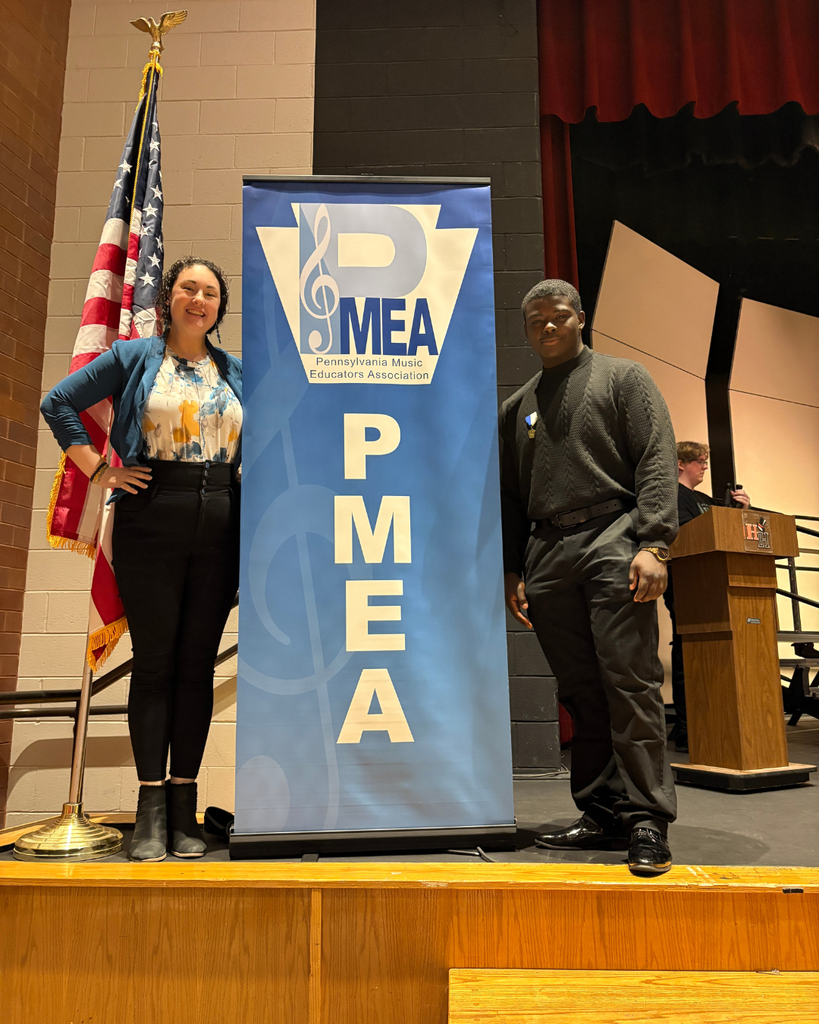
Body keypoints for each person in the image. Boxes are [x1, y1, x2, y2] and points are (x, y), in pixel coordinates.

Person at [41, 257, 242, 862]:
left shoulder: (236, 371)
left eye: (209, 292)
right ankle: (150, 808)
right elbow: (59, 403)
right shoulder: (133, 357)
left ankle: (186, 808)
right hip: (150, 518)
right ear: (170, 299)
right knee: (154, 666)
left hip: (222, 526)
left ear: (219, 308)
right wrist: (101, 471)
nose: (197, 299)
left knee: (196, 667)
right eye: (188, 288)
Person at [499, 279, 679, 876]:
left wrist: (654, 542)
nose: (546, 327)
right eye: (535, 321)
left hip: (613, 539)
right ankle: (602, 813)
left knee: (629, 682)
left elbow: (656, 456)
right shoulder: (517, 406)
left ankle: (647, 819)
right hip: (547, 554)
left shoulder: (623, 379)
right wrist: (513, 568)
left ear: (581, 318)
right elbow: (507, 496)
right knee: (579, 691)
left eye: (557, 317)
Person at [665, 442, 750, 751]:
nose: (704, 467)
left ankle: (712, 721)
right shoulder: (671, 495)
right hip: (688, 582)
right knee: (688, 653)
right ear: (679, 464)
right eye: (699, 461)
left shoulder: (703, 499)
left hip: (715, 581)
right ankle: (688, 728)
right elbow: (686, 534)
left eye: (705, 462)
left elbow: (723, 532)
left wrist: (740, 512)